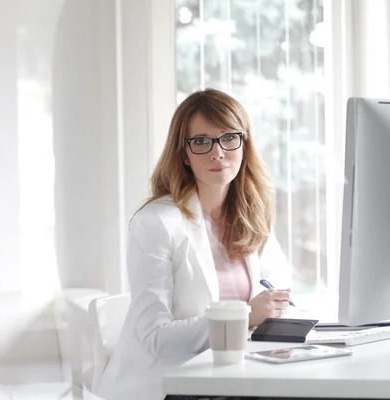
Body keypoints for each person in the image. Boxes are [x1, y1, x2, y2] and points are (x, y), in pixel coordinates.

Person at [96, 89, 293, 400]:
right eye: (201, 141)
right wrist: (245, 316)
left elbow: (280, 299)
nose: (217, 152)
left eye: (229, 138)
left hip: (234, 377)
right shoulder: (156, 223)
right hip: (168, 383)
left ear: (245, 144)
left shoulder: (251, 217)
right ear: (183, 154)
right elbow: (155, 338)